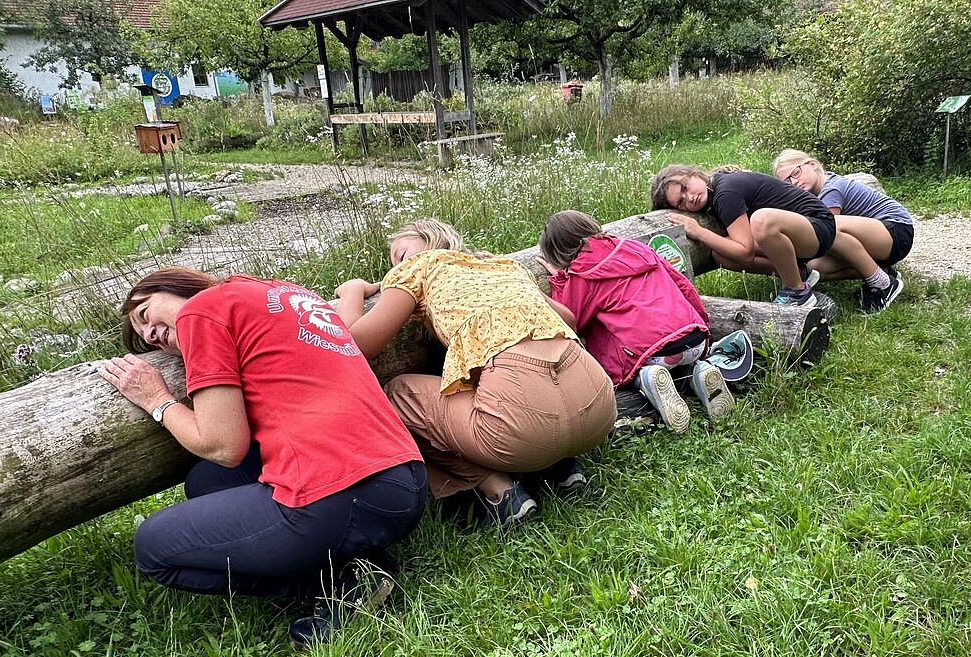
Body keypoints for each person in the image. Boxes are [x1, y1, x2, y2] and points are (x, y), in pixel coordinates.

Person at [98, 267, 426, 648]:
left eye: (144, 315)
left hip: (339, 494)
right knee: (206, 482)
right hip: (405, 480)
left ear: (170, 286)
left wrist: (157, 400)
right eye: (146, 339)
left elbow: (223, 445)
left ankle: (340, 585)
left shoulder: (198, 312)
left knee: (152, 549)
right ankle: (356, 558)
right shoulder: (284, 292)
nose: (150, 335)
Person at [334, 220, 616, 528]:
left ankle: (499, 491)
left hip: (524, 430)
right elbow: (568, 319)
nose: (397, 267)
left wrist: (353, 291)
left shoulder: (419, 267)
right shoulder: (502, 265)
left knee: (399, 395)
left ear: (431, 241)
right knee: (502, 378)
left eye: (401, 255)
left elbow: (353, 344)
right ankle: (558, 468)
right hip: (598, 406)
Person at [536, 210, 734, 434]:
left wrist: (561, 280)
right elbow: (683, 285)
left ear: (559, 251)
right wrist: (703, 325)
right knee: (679, 357)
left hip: (654, 353)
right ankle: (699, 371)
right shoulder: (635, 247)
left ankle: (646, 380)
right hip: (693, 338)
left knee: (614, 353)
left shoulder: (581, 273)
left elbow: (569, 318)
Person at [650, 164, 892, 311]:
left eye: (685, 188)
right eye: (680, 202)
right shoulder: (715, 193)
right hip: (796, 235)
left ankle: (796, 290)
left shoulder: (725, 191)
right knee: (721, 255)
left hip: (817, 225)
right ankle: (799, 272)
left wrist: (700, 232)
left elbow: (745, 251)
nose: (689, 198)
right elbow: (738, 252)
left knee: (762, 220)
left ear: (695, 174)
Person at [772, 149, 910, 312]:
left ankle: (883, 284)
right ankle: (882, 272)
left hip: (896, 231)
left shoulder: (831, 189)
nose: (794, 182)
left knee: (827, 228)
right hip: (880, 239)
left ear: (812, 165)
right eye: (787, 181)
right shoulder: (815, 193)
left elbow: (821, 235)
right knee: (815, 268)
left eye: (796, 173)